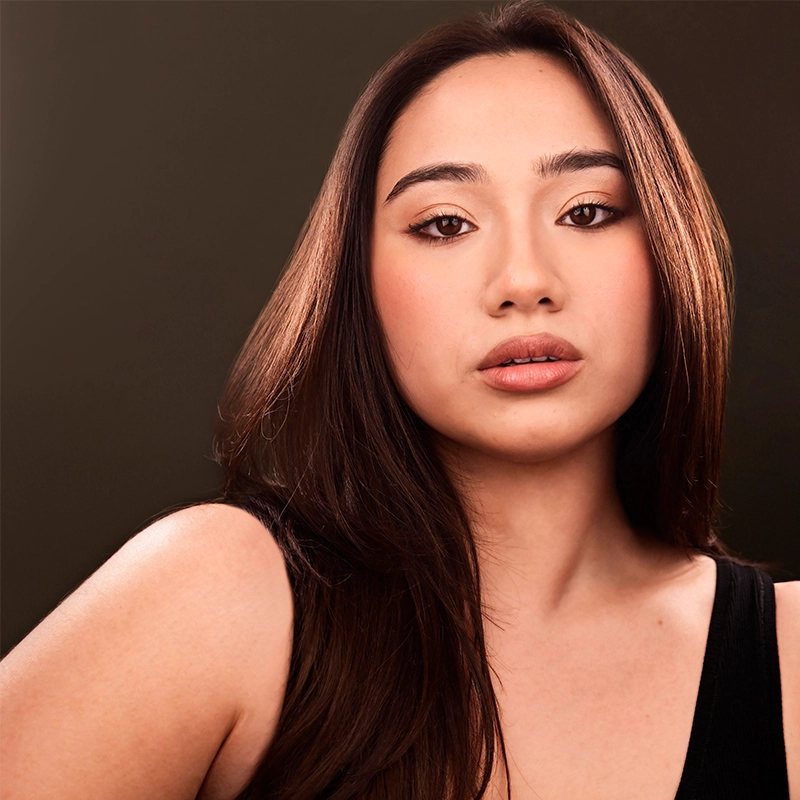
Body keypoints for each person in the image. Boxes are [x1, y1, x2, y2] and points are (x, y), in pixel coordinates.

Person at [1, 1, 798, 798]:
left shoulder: (788, 660)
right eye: (446, 224)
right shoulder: (220, 600)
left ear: (669, 250)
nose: (524, 282)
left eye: (587, 212)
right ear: (361, 287)